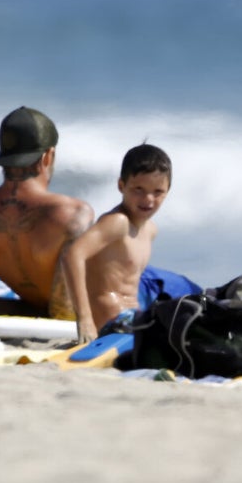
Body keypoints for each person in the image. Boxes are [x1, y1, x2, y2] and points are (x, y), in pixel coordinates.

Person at [0, 106, 94, 318]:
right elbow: (64, 311)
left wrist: (28, 312)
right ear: (48, 157)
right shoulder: (74, 215)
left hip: (29, 309)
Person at [62, 144, 172, 342]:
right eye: (139, 189)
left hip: (133, 320)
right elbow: (73, 255)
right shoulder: (117, 223)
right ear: (121, 186)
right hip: (112, 325)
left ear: (167, 191)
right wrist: (84, 318)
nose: (148, 199)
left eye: (157, 192)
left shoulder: (150, 230)